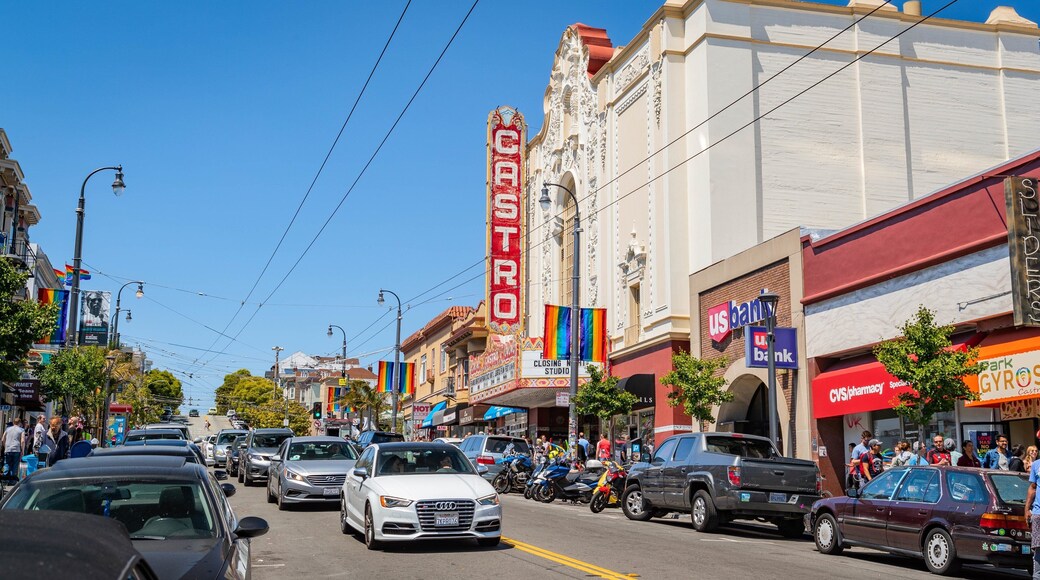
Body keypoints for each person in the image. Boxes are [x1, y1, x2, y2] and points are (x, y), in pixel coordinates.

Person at [1025, 442, 1040, 580]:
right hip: (1038, 513)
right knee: (1038, 548)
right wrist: (1027, 509)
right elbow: (1032, 487)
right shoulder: (1036, 465)